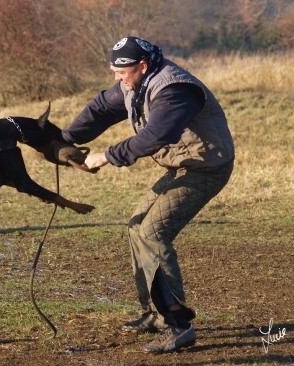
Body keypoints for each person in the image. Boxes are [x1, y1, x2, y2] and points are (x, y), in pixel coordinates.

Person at [61, 36, 235, 353]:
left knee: (154, 232)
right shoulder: (135, 82)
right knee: (136, 225)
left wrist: (106, 156)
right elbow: (100, 109)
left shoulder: (175, 89)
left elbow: (156, 135)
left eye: (121, 72)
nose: (117, 78)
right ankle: (155, 314)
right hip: (182, 166)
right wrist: (62, 140)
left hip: (207, 167)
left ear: (142, 66)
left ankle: (178, 325)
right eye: (113, 71)